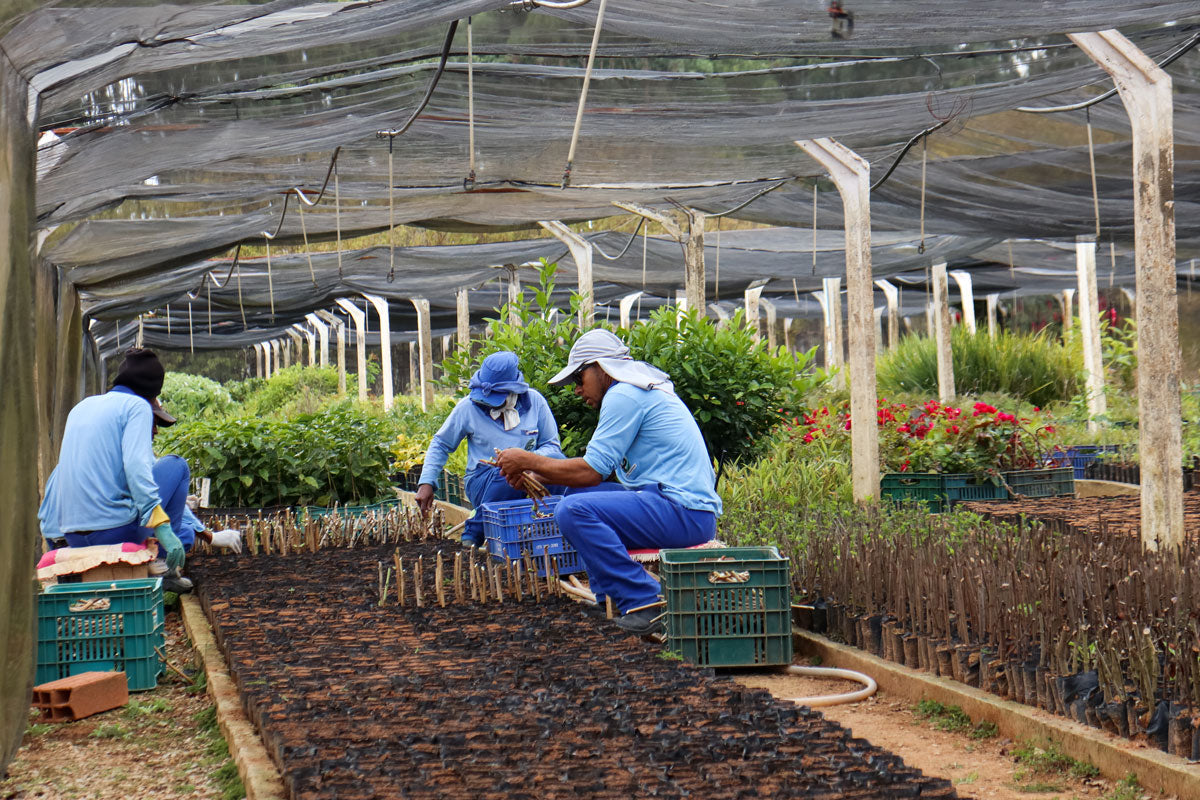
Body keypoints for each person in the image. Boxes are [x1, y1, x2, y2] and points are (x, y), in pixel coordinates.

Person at [495, 329, 721, 635]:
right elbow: (592, 474)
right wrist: (536, 476)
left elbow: (592, 471)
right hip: (671, 506)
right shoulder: (635, 390)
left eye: (579, 379)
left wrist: (527, 460)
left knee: (573, 510)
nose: (577, 390)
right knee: (571, 493)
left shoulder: (624, 394)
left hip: (684, 513)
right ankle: (609, 597)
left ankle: (645, 601)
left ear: (601, 369)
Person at [37, 349, 241, 592]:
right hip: (114, 533)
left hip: (70, 536)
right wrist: (163, 527)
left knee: (183, 527)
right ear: (152, 393)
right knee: (177, 467)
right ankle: (166, 569)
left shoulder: (82, 408)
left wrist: (207, 534)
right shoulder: (137, 407)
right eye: (156, 423)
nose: (155, 431)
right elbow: (138, 470)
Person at [415, 351, 564, 546]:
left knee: (560, 464)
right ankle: (473, 534)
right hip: (485, 480)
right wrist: (426, 482)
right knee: (506, 474)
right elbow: (441, 444)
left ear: (513, 390)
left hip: (533, 476)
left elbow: (551, 445)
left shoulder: (535, 402)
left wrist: (527, 462)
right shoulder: (468, 407)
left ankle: (559, 535)